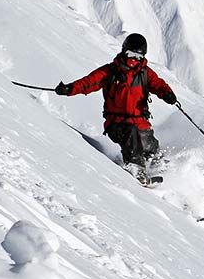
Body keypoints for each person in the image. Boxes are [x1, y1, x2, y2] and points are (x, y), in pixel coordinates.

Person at [55, 33, 177, 182]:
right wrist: (70, 89)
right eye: (131, 54)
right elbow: (89, 82)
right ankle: (136, 169)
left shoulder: (145, 73)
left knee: (150, 146)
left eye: (138, 56)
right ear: (124, 51)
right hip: (117, 123)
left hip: (140, 123)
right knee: (130, 135)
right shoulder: (110, 72)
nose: (134, 59)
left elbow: (158, 84)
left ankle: (164, 174)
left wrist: (167, 94)